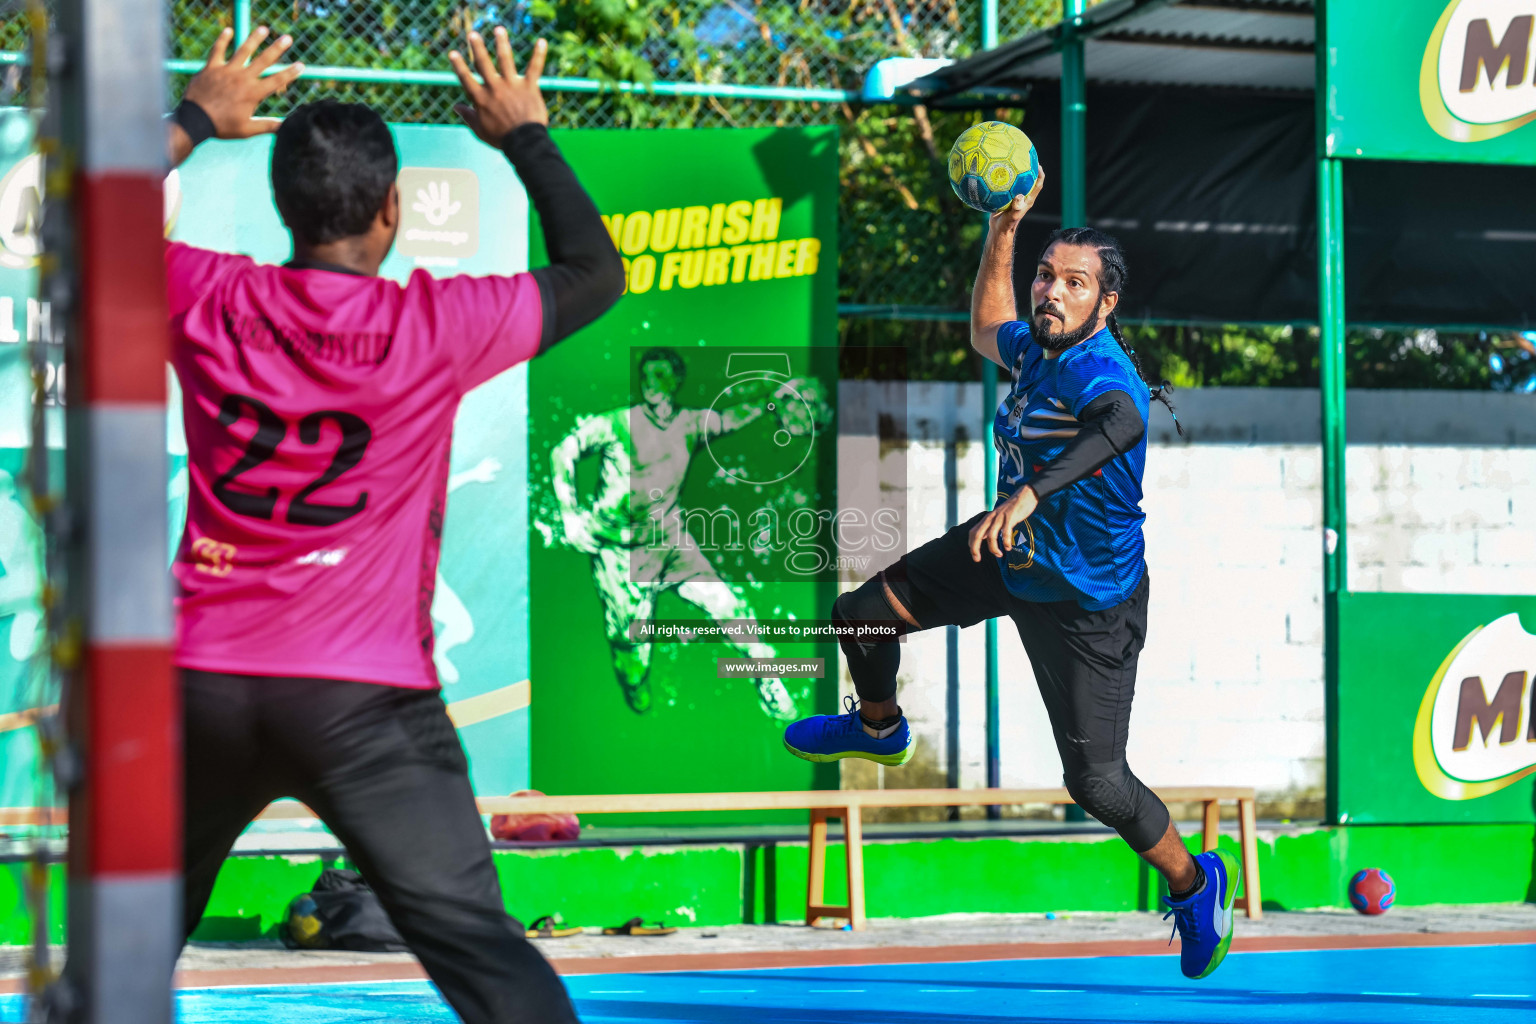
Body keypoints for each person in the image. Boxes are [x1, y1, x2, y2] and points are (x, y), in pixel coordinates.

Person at [163, 25, 622, 1023]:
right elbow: (594, 270)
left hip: (201, 680)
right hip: (361, 699)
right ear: (392, 207)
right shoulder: (433, 323)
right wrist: (526, 137)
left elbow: (82, 220)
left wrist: (196, 118)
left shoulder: (204, 292)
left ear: (284, 206)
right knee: (486, 961)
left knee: (124, 947)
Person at [781, 185, 1240, 980]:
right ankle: (881, 726)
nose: (1052, 290)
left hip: (1087, 599)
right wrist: (1004, 228)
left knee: (1096, 782)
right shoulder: (1035, 347)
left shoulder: (1104, 368)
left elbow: (1123, 423)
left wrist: (1031, 489)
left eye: (1074, 282)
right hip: (1008, 552)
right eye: (1047, 276)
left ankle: (1194, 884)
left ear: (1107, 300)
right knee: (860, 616)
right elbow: (984, 326)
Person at [550, 346, 809, 720]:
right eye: (645, 376)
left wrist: (770, 401)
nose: (650, 383)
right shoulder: (616, 423)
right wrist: (570, 517)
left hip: (670, 543)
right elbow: (564, 452)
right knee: (631, 655)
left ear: (676, 381)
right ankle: (635, 683)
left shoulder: (690, 423)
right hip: (618, 553)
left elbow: (730, 418)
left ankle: (768, 676)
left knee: (729, 607)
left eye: (659, 375)